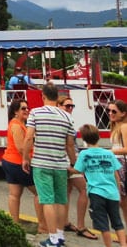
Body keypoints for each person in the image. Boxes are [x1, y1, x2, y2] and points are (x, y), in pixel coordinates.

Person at [22, 82, 76, 247]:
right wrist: (73, 162)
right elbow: (69, 144)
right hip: (60, 163)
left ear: (43, 96)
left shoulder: (36, 113)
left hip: (41, 163)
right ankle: (60, 235)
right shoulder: (67, 116)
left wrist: (25, 158)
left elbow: (29, 137)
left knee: (47, 201)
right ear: (56, 96)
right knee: (61, 200)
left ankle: (53, 239)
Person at [72, 124, 127, 247]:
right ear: (98, 136)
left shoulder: (84, 155)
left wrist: (68, 169)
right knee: (117, 222)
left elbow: (78, 170)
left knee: (103, 224)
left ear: (84, 139)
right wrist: (118, 192)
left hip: (96, 193)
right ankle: (124, 244)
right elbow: (116, 175)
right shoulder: (109, 154)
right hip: (112, 193)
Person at [1, 99, 46, 232]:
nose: (27, 110)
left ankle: (15, 224)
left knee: (14, 194)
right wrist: (32, 161)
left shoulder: (18, 124)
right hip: (19, 163)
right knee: (39, 193)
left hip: (10, 162)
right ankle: (42, 226)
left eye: (27, 108)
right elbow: (21, 148)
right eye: (23, 108)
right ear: (16, 111)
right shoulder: (16, 125)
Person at [57, 95, 97, 239]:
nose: (70, 109)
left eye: (71, 106)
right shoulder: (66, 121)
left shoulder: (62, 120)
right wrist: (75, 163)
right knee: (83, 189)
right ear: (59, 106)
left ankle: (65, 222)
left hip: (64, 160)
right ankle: (81, 226)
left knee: (67, 191)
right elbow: (69, 145)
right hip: (69, 159)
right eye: (67, 106)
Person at [108, 100, 127, 222]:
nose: (110, 113)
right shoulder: (116, 126)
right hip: (117, 164)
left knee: (123, 201)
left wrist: (109, 152)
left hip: (122, 165)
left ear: (123, 113)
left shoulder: (124, 127)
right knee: (122, 201)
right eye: (109, 110)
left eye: (114, 111)